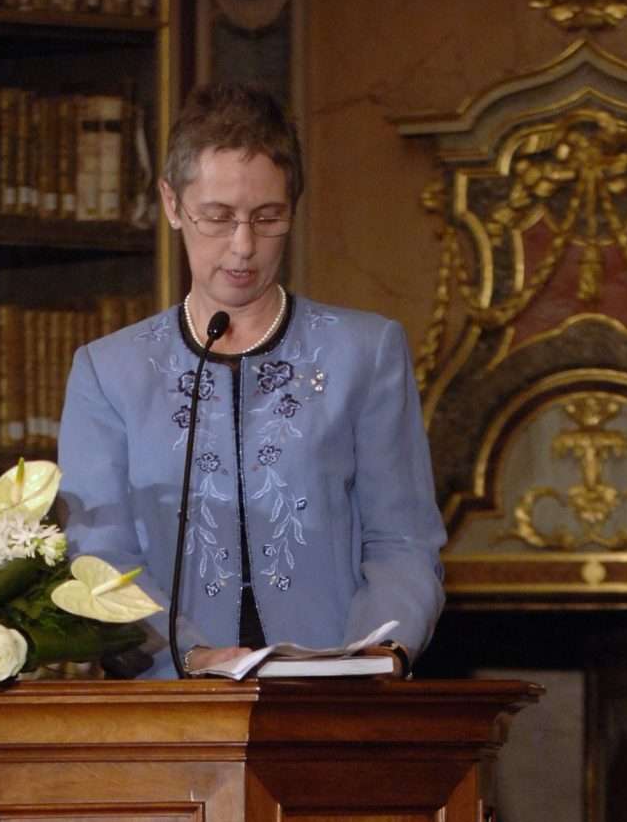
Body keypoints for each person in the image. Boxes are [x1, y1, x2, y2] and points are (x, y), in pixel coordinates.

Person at [57, 82, 446, 677]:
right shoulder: (108, 372)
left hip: (336, 692)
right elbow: (98, 558)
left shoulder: (365, 353)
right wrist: (188, 655)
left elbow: (402, 539)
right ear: (171, 203)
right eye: (217, 217)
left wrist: (379, 653)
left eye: (267, 218)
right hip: (173, 699)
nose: (243, 247)